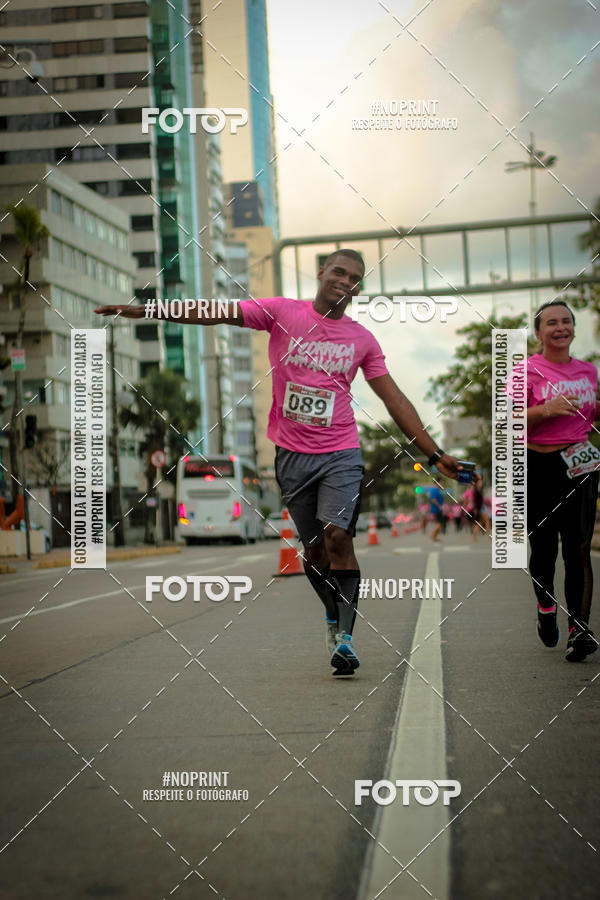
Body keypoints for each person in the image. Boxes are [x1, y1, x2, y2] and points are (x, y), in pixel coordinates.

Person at [96, 249, 462, 675]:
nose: (346, 281)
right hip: (291, 456)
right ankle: (332, 612)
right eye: (339, 272)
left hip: (342, 452)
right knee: (314, 552)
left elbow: (393, 398)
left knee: (338, 538)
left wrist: (433, 453)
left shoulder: (362, 340)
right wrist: (150, 310)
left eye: (356, 278)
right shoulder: (281, 313)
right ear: (321, 273)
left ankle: (345, 638)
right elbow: (214, 312)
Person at [524, 300, 600, 662]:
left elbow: (590, 410)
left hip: (581, 462)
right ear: (538, 333)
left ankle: (580, 628)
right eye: (551, 323)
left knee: (579, 547)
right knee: (544, 549)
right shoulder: (525, 371)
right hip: (539, 465)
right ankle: (546, 605)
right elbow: (506, 423)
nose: (560, 328)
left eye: (566, 321)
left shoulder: (587, 371)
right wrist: (544, 409)